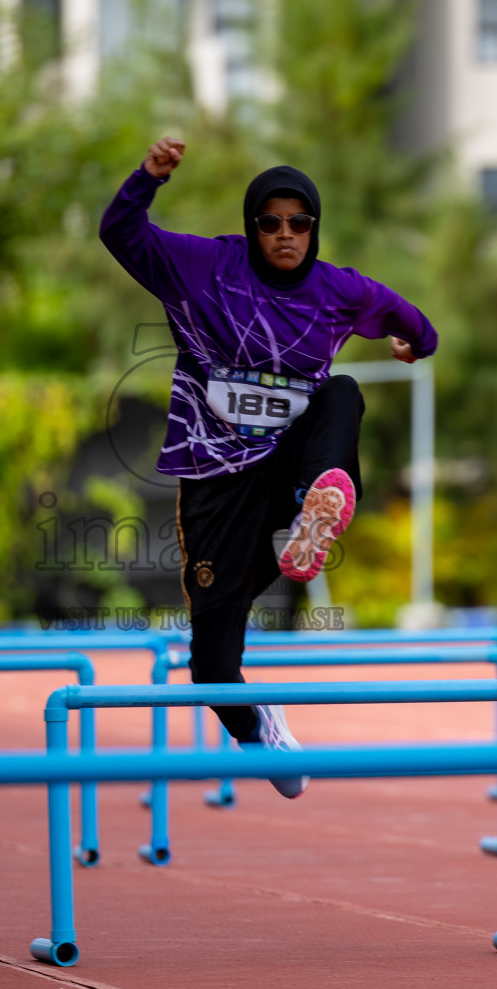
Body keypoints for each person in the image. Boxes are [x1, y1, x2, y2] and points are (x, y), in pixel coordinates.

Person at [101, 136, 438, 798]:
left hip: (289, 465)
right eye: (271, 223)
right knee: (211, 668)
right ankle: (261, 731)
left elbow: (419, 325)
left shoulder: (340, 290)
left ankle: (316, 508)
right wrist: (148, 176)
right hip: (215, 479)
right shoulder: (202, 265)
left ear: (315, 229)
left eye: (300, 224)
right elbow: (120, 232)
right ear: (252, 226)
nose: (286, 235)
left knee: (341, 392)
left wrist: (411, 342)